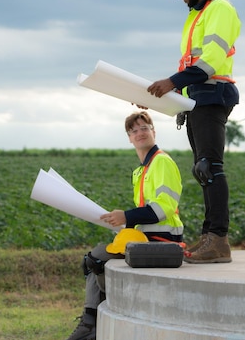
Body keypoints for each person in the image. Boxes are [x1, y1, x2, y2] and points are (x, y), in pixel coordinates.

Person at [146, 0, 241, 264]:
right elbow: (191, 66)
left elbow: (211, 60)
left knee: (210, 168)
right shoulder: (195, 17)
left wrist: (171, 82)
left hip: (213, 94)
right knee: (204, 171)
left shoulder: (221, 9)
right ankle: (210, 237)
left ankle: (219, 242)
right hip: (196, 98)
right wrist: (159, 94)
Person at [66, 111, 183, 340]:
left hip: (163, 241)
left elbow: (164, 208)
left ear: (153, 131)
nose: (139, 133)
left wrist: (126, 217)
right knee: (92, 260)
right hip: (146, 239)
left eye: (144, 128)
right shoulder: (141, 170)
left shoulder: (162, 162)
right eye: (133, 130)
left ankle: (92, 324)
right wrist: (122, 222)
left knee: (94, 260)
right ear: (129, 138)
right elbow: (145, 214)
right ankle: (94, 322)